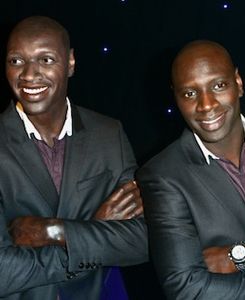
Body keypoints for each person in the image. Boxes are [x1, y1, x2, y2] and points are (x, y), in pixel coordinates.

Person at [137, 39, 245, 299]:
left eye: (218, 85)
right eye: (190, 93)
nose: (206, 105)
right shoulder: (161, 176)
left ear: (239, 83)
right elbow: (188, 288)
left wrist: (244, 255)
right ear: (176, 98)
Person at [0, 15, 147, 299]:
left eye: (46, 60)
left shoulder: (109, 133)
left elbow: (142, 240)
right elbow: (4, 273)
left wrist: (54, 232)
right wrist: (95, 231)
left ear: (70, 63)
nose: (29, 75)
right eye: (16, 61)